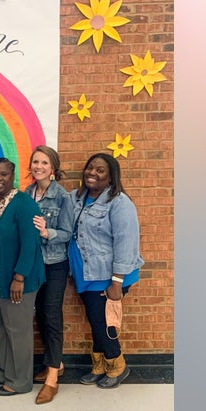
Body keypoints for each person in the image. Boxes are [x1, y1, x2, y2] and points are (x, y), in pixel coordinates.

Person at [68, 152, 143, 388]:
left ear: (111, 177)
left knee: (103, 322)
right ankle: (100, 365)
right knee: (96, 320)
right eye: (90, 168)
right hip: (86, 274)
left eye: (100, 170)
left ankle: (117, 364)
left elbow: (126, 242)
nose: (93, 173)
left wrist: (116, 282)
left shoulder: (119, 203)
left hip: (109, 276)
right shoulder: (77, 198)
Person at [0, 157, 45, 397]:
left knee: (18, 329)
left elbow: (30, 242)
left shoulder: (23, 203)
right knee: (0, 328)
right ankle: (3, 371)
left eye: (4, 174)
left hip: (15, 279)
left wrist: (20, 277)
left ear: (12, 176)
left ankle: (21, 380)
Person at [25, 146, 75, 405]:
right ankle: (54, 363)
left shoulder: (63, 197)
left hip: (55, 263)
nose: (38, 166)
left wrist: (47, 233)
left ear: (52, 168)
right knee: (40, 314)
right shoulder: (28, 193)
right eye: (35, 162)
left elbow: (67, 233)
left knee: (52, 314)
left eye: (44, 162)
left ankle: (52, 379)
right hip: (34, 264)